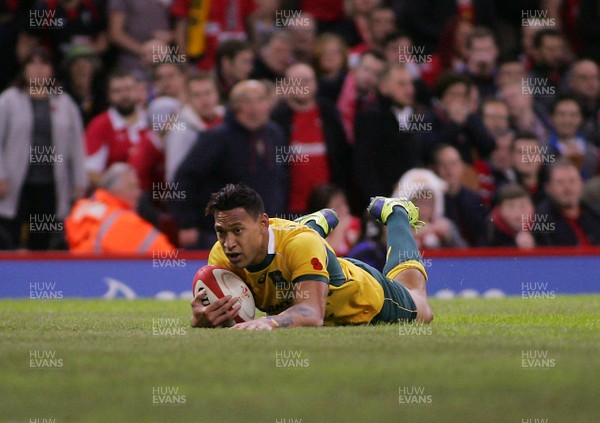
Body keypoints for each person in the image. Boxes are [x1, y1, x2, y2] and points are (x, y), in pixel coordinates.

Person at [190, 183, 433, 329]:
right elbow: (228, 316)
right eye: (220, 232)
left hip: (363, 296)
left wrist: (270, 321)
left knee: (419, 301)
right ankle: (314, 225)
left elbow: (311, 313)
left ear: (262, 223)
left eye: (237, 231)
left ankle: (397, 213)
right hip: (308, 257)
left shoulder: (300, 244)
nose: (228, 243)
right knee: (300, 244)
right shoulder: (220, 255)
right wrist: (202, 319)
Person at [172, 80, 287, 249]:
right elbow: (184, 178)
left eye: (265, 99)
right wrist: (186, 223)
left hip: (266, 230)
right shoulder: (217, 138)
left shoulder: (274, 133)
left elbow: (282, 178)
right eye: (259, 99)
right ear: (242, 106)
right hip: (221, 234)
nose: (266, 105)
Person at [0, 48, 87, 250]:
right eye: (33, 63)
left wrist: (80, 180)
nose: (38, 69)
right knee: (8, 235)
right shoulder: (8, 100)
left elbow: (77, 146)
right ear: (24, 69)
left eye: (44, 63)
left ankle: (36, 279)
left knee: (41, 239)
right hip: (15, 182)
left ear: (52, 70)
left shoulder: (64, 102)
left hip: (49, 182)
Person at [270, 63, 352, 214]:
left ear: (315, 84)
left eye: (307, 80)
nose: (302, 86)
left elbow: (343, 159)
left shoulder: (329, 114)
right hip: (292, 209)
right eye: (296, 81)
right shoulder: (276, 119)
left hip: (329, 209)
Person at [65, 163, 174, 253]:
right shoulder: (123, 222)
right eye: (132, 186)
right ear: (114, 190)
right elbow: (167, 256)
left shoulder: (83, 207)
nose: (138, 193)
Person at [85, 70, 151, 187]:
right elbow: (91, 172)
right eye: (117, 91)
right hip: (116, 196)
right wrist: (122, 190)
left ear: (138, 90)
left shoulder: (151, 120)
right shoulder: (100, 124)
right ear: (109, 95)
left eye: (128, 89)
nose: (124, 95)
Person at [535, 159, 600, 246]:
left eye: (572, 181)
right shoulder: (541, 220)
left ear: (582, 184)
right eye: (560, 182)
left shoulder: (595, 214)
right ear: (548, 188)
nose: (567, 188)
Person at [432, 144, 487, 246]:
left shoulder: (474, 199)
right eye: (443, 165)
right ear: (436, 169)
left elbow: (482, 236)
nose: (449, 170)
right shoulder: (432, 201)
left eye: (453, 164)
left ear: (462, 167)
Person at [483, 183, 536, 248]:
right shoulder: (489, 229)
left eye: (523, 206)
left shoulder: (544, 224)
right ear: (500, 210)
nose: (518, 213)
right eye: (511, 207)